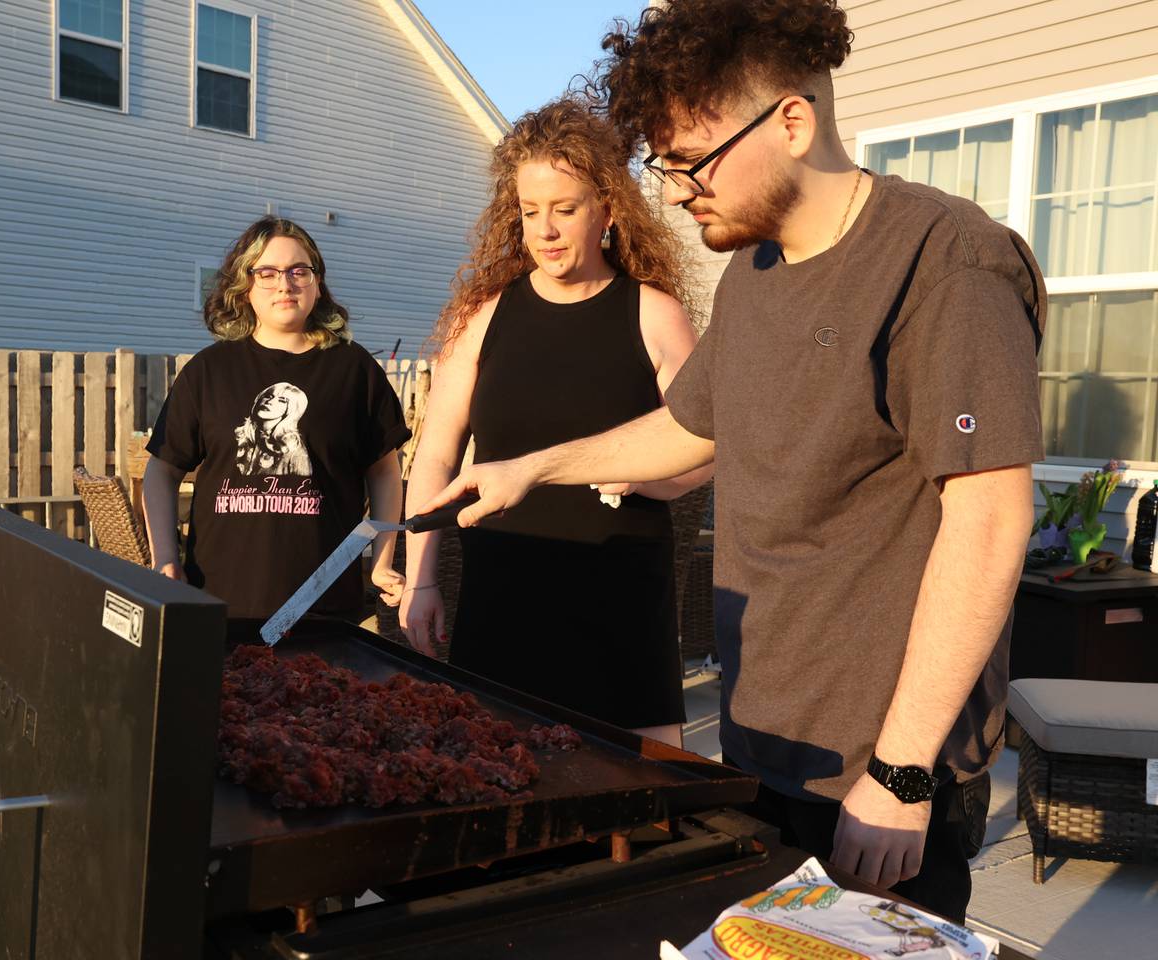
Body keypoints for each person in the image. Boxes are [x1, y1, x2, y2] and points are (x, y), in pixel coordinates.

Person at [423, 0, 1043, 925]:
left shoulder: (945, 264)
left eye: (690, 160)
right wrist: (537, 464)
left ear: (792, 122)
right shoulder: (753, 274)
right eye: (661, 164)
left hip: (874, 772)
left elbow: (991, 518)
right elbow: (688, 428)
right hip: (762, 742)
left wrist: (903, 770)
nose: (674, 190)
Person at [400, 98, 710, 731]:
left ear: (608, 212)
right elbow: (434, 456)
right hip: (502, 595)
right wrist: (419, 580)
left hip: (620, 600)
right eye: (529, 211)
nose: (543, 230)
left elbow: (712, 443)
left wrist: (654, 479)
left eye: (564, 210)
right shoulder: (482, 320)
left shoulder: (654, 314)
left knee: (633, 806)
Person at [144, 217, 409, 624]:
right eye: (266, 273)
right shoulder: (208, 371)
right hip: (219, 606)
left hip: (325, 606)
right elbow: (162, 471)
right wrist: (165, 561)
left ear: (318, 284)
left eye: (298, 271)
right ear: (244, 286)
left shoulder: (354, 370)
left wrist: (382, 560)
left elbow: (386, 473)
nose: (284, 284)